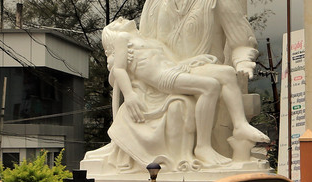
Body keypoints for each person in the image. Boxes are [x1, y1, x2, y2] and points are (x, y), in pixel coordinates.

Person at [103, 18, 267, 168]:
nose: (120, 19)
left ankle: (240, 125)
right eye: (115, 23)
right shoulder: (123, 38)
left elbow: (171, 61)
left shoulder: (147, 40)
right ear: (111, 34)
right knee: (209, 86)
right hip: (163, 78)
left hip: (176, 69)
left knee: (227, 73)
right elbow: (119, 69)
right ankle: (203, 147)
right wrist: (130, 94)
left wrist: (195, 61)